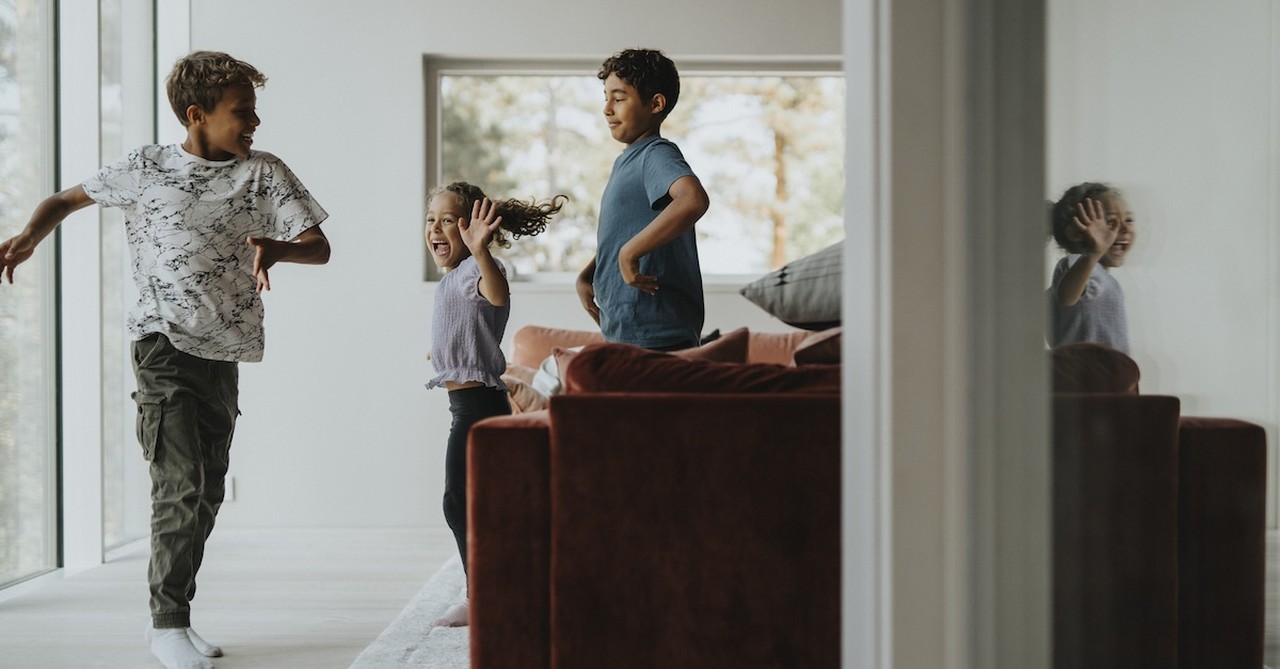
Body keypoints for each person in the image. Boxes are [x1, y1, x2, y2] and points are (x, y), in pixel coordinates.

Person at [0, 51, 330, 669]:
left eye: (255, 111)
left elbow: (320, 246)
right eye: (243, 112)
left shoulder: (263, 172)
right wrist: (27, 236)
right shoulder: (147, 167)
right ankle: (166, 623)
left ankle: (179, 614)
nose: (254, 122)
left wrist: (279, 250)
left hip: (226, 351)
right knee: (179, 485)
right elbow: (65, 199)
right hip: (163, 343)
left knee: (205, 494)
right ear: (196, 114)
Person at [424, 181, 562, 627]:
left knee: (457, 502)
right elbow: (469, 329)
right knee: (471, 501)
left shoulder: (475, 271)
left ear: (472, 227)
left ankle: (480, 594)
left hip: (479, 409)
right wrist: (445, 353)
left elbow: (497, 293)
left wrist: (481, 252)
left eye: (449, 219)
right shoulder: (452, 280)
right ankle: (497, 586)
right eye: (431, 220)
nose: (437, 228)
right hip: (467, 407)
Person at [575, 48, 711, 351]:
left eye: (619, 98)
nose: (607, 109)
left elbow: (692, 200)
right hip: (625, 328)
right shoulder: (626, 161)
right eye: (606, 98)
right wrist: (589, 274)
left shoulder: (656, 153)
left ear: (655, 104)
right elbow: (625, 232)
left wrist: (629, 255)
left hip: (656, 332)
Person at [1047, 181, 1135, 353]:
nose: (1124, 229)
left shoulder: (1103, 276)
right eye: (1111, 222)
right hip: (1086, 376)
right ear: (1074, 233)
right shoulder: (1076, 263)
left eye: (1129, 220)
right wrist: (1093, 254)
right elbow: (1067, 297)